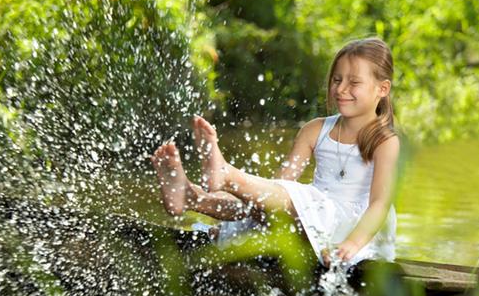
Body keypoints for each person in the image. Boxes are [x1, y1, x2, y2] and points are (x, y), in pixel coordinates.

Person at [151, 37, 398, 267]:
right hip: (313, 218)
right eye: (337, 80)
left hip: (356, 229)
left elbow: (379, 205)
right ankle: (193, 198)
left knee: (302, 201)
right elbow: (281, 184)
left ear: (382, 89)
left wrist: (351, 244)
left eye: (354, 82)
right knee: (261, 203)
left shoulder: (384, 141)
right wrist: (260, 206)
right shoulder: (315, 130)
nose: (342, 89)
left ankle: (225, 175)